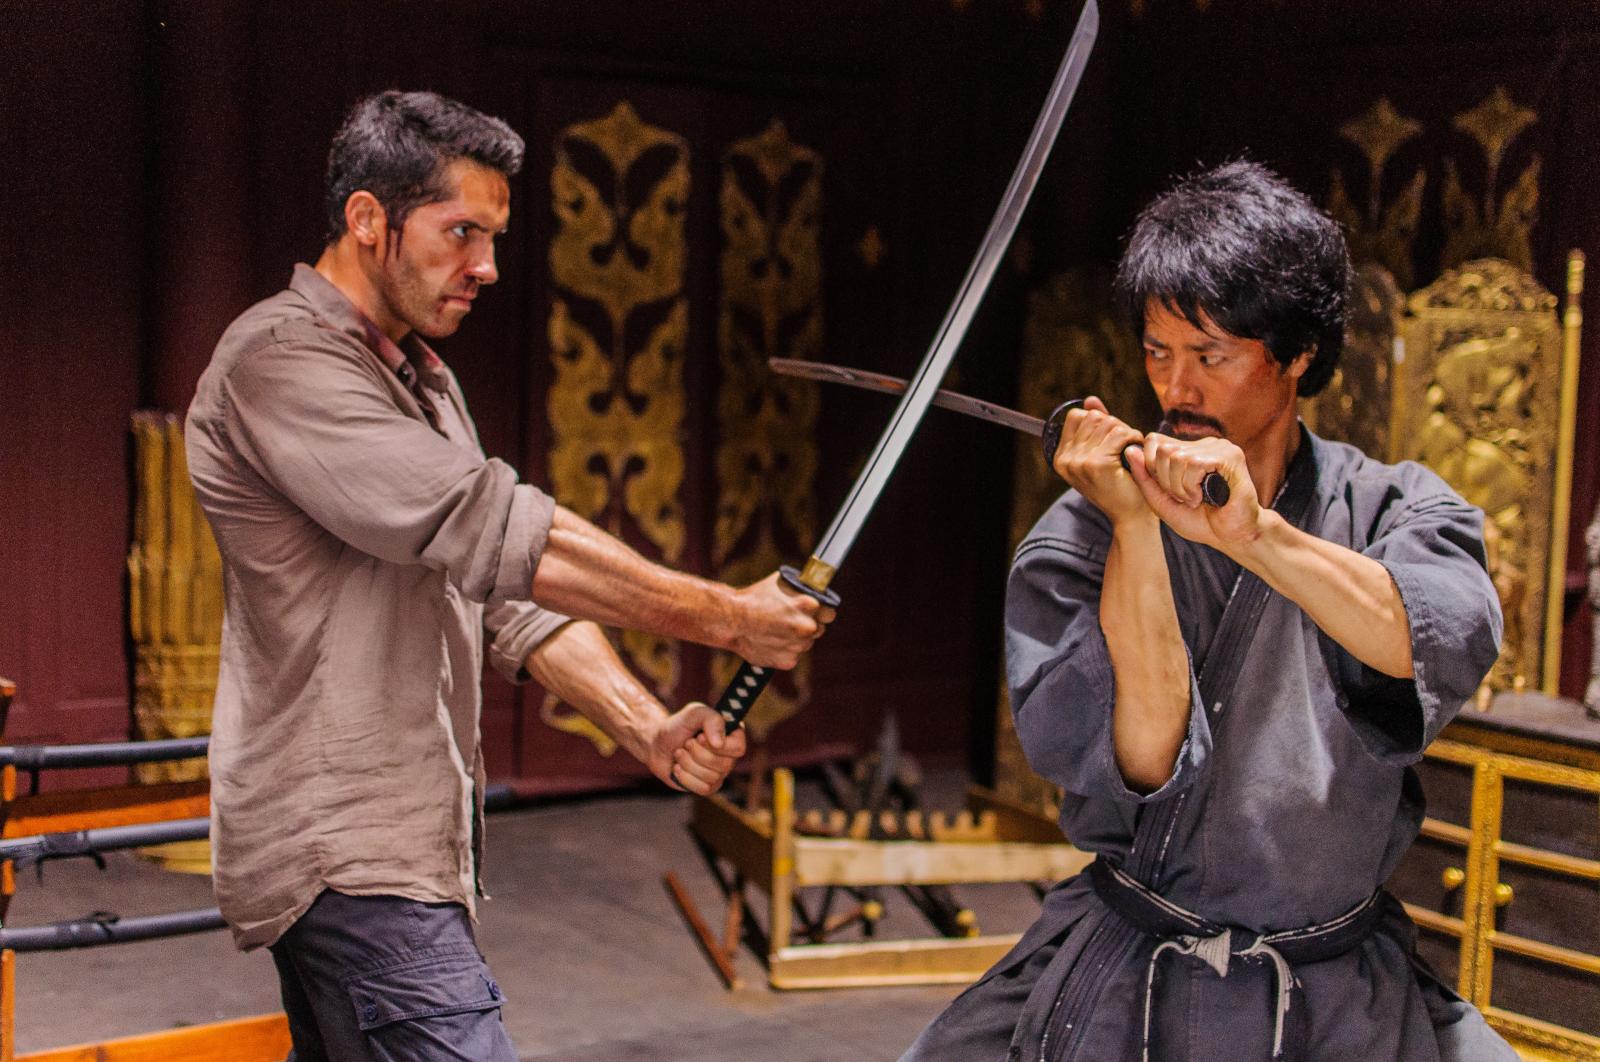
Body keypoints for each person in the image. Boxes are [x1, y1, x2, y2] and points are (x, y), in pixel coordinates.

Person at [186, 90, 832, 1061]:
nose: (486, 266)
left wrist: (644, 724)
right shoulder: (281, 361)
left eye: (492, 237)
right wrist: (728, 618)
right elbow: (491, 526)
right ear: (368, 219)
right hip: (343, 850)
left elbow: (508, 601)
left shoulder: (419, 379)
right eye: (462, 233)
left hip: (403, 846)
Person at [902, 161, 1515, 1061]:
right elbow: (1146, 758)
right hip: (1135, 967)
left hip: (1337, 987)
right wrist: (1136, 529)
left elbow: (1421, 640)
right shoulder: (1082, 534)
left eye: (1210, 355)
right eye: (1158, 352)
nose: (1175, 388)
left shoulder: (1396, 508)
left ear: (1296, 355)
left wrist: (1254, 535)